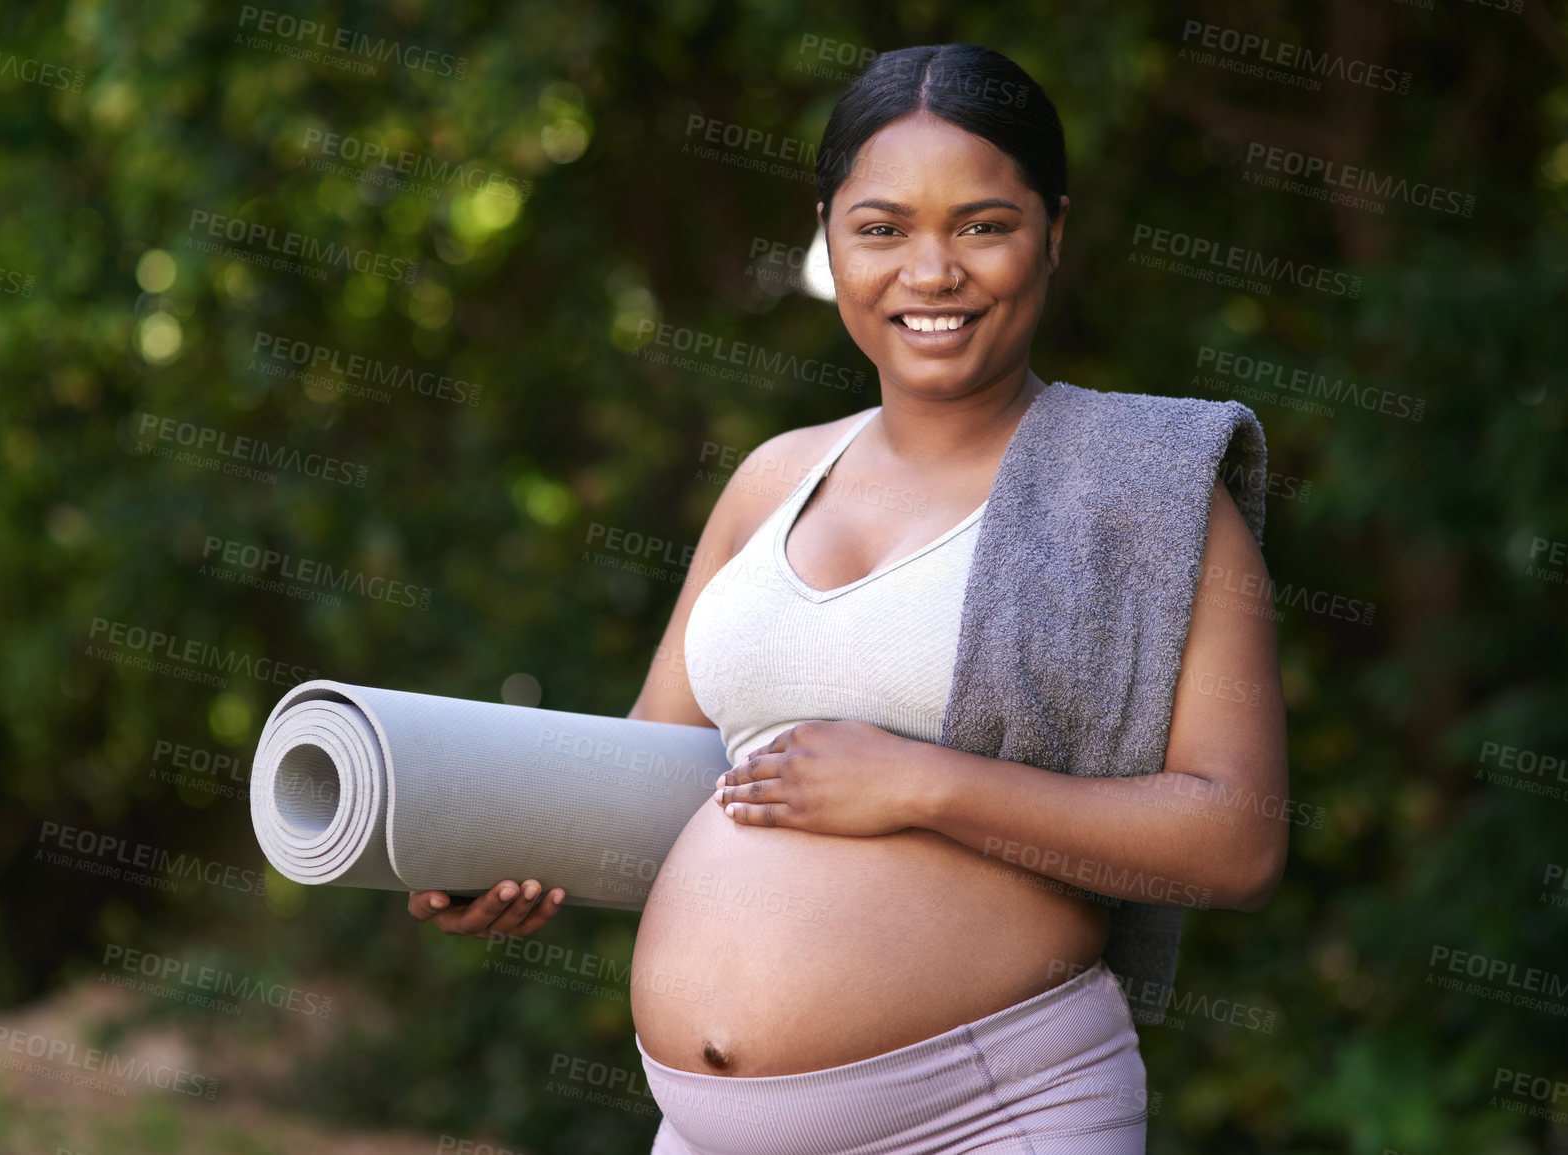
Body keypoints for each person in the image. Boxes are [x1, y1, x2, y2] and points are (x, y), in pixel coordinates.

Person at [410, 42, 1288, 1155]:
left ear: (1053, 231)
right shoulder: (774, 479)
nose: (932, 272)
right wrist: (505, 847)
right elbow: (647, 775)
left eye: (981, 224)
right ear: (828, 238)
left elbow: (1237, 842)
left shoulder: (1145, 489)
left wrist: (921, 783)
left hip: (992, 1119)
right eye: (883, 229)